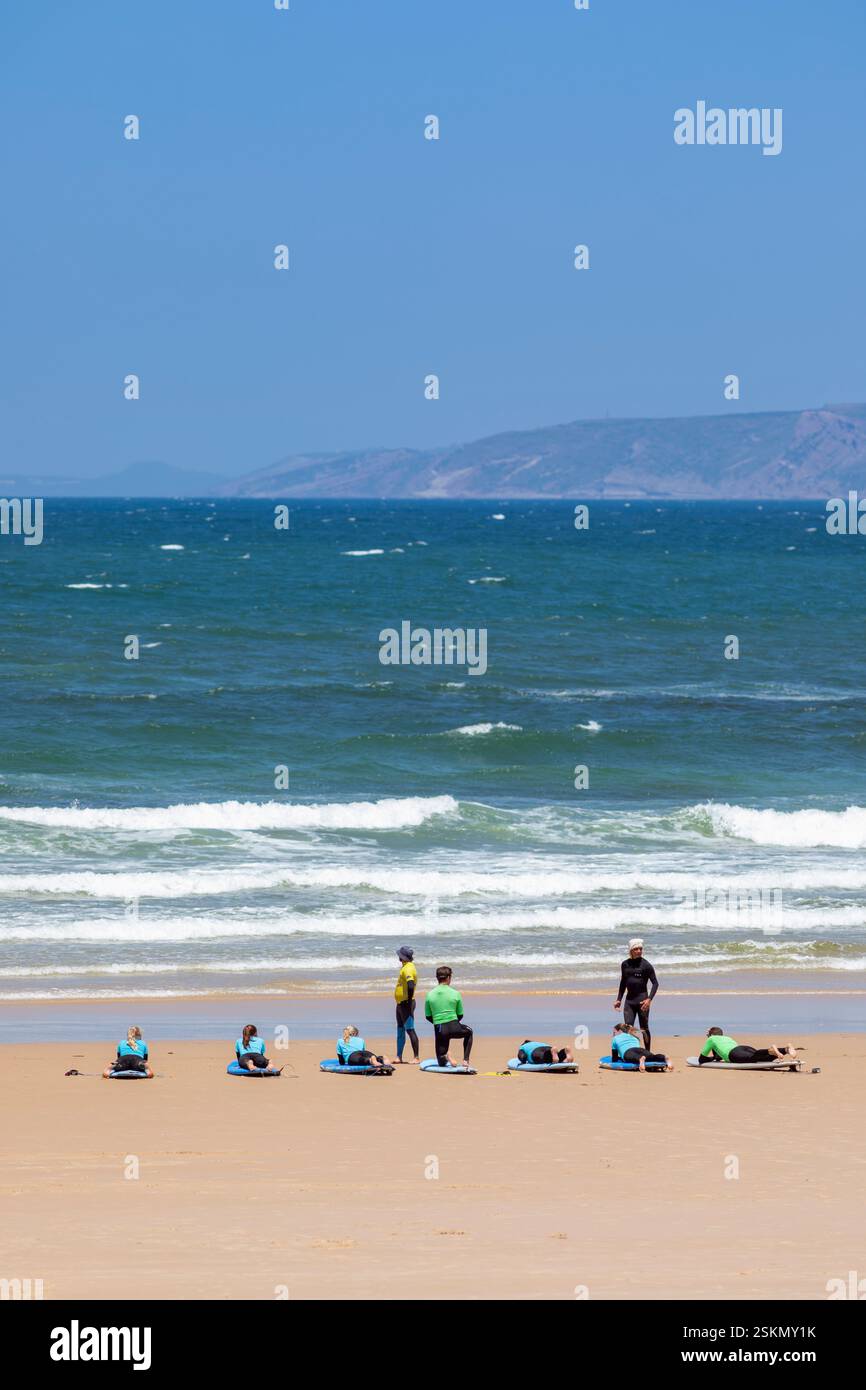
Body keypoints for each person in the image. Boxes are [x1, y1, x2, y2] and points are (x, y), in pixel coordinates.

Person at [424, 966, 473, 1067]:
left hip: (440, 1029)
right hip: (454, 1026)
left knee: (441, 1062)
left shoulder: (430, 995)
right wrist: (453, 1023)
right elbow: (460, 1014)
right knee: (469, 1032)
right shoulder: (456, 993)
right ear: (448, 978)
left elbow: (428, 1016)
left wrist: (439, 1023)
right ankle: (465, 1061)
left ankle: (446, 1057)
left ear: (437, 978)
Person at [614, 937, 658, 1048]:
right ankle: (631, 1051)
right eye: (636, 949)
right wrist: (619, 999)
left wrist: (649, 999)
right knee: (628, 1028)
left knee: (644, 1028)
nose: (639, 951)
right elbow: (623, 982)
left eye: (640, 949)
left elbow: (655, 983)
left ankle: (647, 1052)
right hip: (629, 1001)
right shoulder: (625, 965)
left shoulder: (646, 965)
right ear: (631, 951)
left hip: (642, 1001)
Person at [698, 1027, 799, 1066]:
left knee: (754, 1058)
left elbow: (701, 1060)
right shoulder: (727, 1038)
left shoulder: (711, 1039)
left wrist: (710, 1058)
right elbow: (718, 1057)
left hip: (733, 1054)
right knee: (761, 1058)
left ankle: (771, 1049)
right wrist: (715, 1057)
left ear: (711, 1035)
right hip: (742, 1048)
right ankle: (785, 1049)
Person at [394, 946, 419, 1064]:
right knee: (400, 1029)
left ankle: (416, 1057)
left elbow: (410, 985)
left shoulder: (408, 968)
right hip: (400, 1003)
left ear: (402, 957)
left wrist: (408, 1001)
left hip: (406, 1004)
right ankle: (399, 1056)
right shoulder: (405, 967)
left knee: (410, 1030)